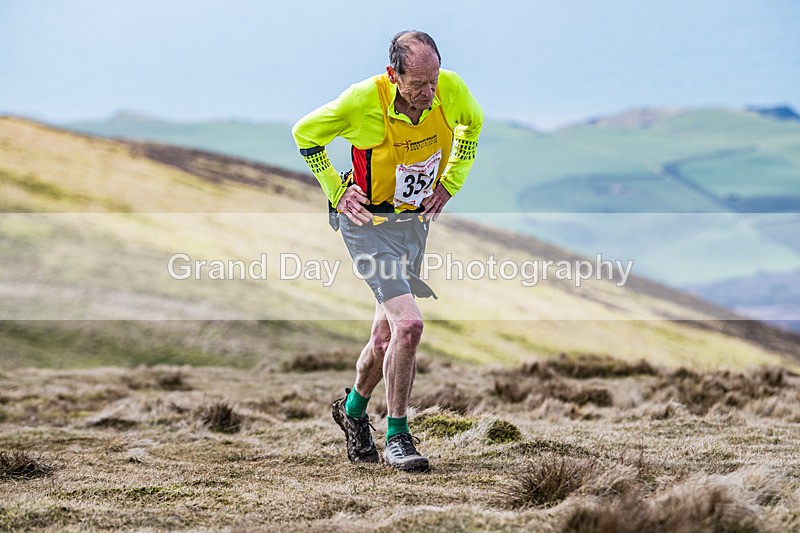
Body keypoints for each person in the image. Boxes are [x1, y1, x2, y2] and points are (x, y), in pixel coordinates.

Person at [292, 30, 483, 471]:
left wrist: (450, 183)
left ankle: (352, 411)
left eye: (433, 80)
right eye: (418, 84)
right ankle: (398, 436)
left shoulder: (450, 89)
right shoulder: (362, 101)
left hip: (411, 225)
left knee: (384, 339)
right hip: (366, 226)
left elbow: (472, 127)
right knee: (410, 325)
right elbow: (305, 134)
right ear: (393, 75)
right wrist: (336, 190)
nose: (429, 92)